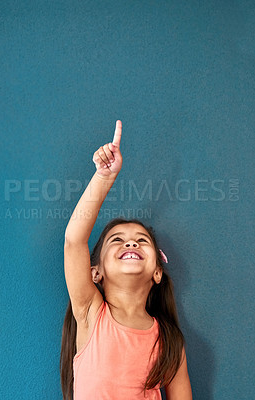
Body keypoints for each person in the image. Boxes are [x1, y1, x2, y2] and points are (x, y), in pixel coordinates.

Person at [60, 120, 192, 400]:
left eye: (142, 240)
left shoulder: (169, 342)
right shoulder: (90, 313)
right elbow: (74, 240)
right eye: (117, 240)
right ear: (95, 272)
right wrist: (104, 178)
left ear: (157, 271)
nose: (131, 242)